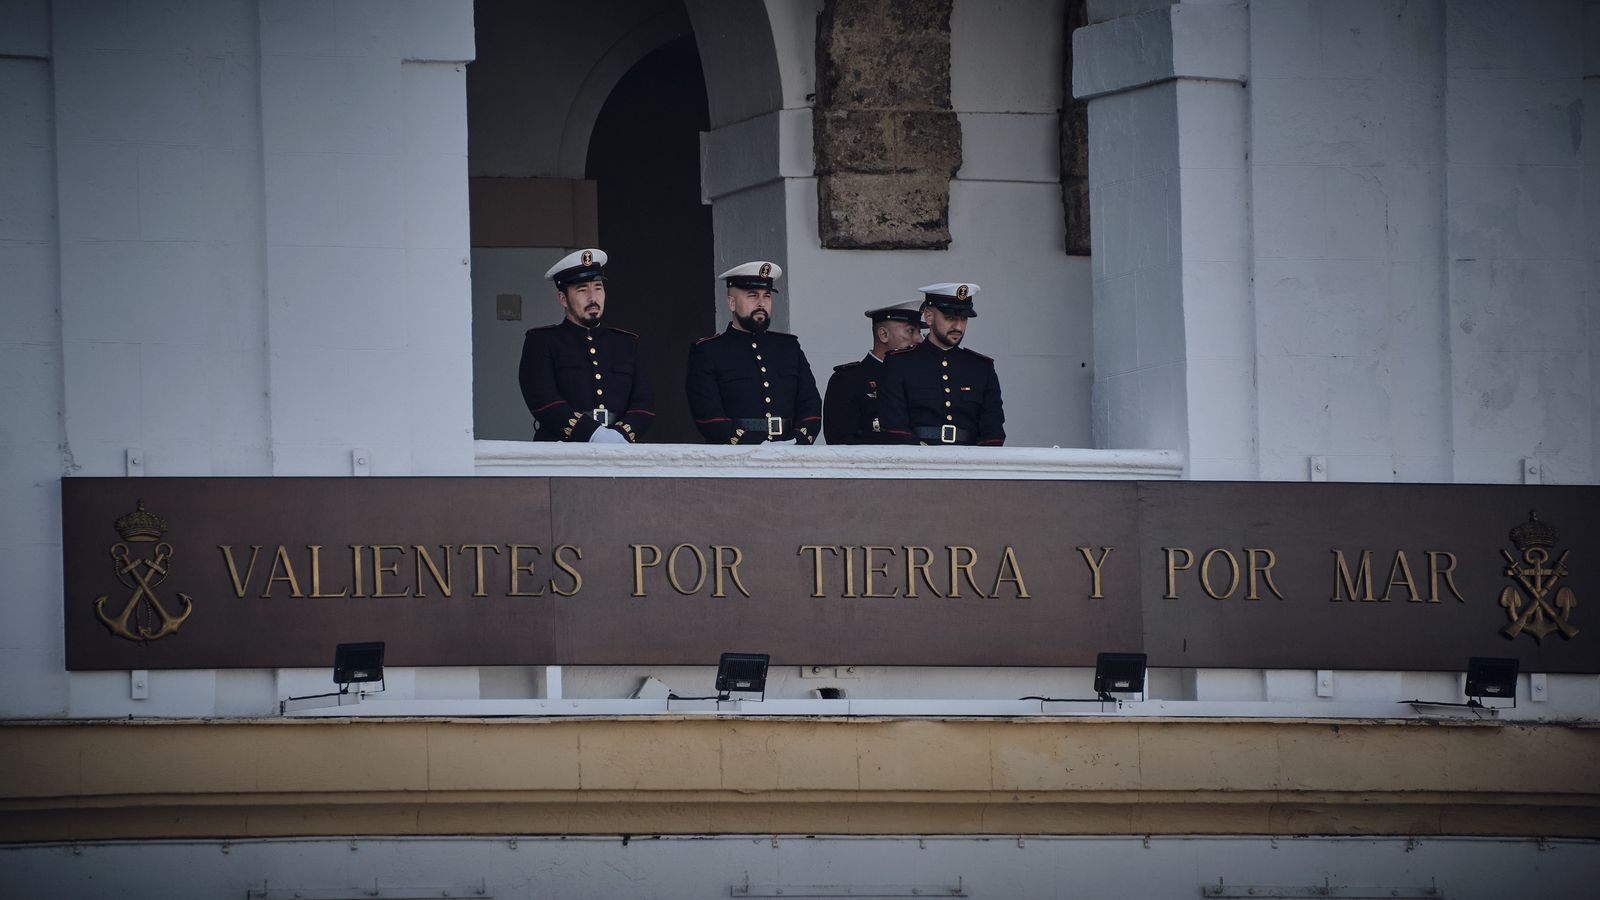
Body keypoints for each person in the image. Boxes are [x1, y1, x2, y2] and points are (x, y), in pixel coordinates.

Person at [518, 248, 655, 443]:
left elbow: (644, 402)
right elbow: (543, 400)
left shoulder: (627, 344)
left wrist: (620, 435)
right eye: (582, 290)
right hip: (562, 447)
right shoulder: (542, 341)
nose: (593, 298)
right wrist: (592, 434)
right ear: (563, 299)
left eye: (598, 288)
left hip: (620, 447)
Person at [686, 260, 822, 444]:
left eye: (767, 296)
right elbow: (708, 416)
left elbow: (810, 404)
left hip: (790, 450)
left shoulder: (789, 347)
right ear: (732, 303)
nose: (761, 303)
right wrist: (753, 444)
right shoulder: (708, 351)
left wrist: (797, 441)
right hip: (736, 453)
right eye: (752, 295)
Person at [877, 282, 1005, 446]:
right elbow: (894, 425)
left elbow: (993, 429)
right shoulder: (899, 363)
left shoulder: (981, 367)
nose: (958, 326)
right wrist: (922, 454)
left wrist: (975, 458)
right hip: (917, 456)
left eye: (963, 318)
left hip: (969, 457)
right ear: (929, 317)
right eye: (950, 318)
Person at [823, 301, 926, 444]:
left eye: (920, 332)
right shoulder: (848, 379)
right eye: (910, 331)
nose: (920, 339)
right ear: (883, 334)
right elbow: (840, 442)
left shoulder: (923, 377)